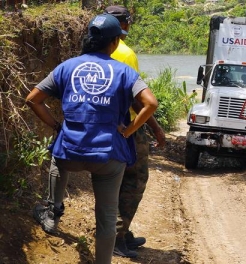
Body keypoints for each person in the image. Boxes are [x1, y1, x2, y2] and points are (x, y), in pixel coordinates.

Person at [28, 14, 158, 264]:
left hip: (70, 153)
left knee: (57, 158)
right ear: (114, 43)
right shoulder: (125, 72)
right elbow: (150, 103)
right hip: (108, 156)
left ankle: (53, 210)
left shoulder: (67, 67)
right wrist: (129, 131)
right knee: (107, 216)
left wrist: (57, 126)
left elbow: (33, 99)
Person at [104, 5, 166, 259]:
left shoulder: (92, 50)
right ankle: (117, 237)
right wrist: (155, 127)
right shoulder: (125, 52)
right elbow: (136, 99)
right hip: (126, 127)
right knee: (135, 180)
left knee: (113, 181)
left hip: (102, 125)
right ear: (124, 24)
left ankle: (120, 232)